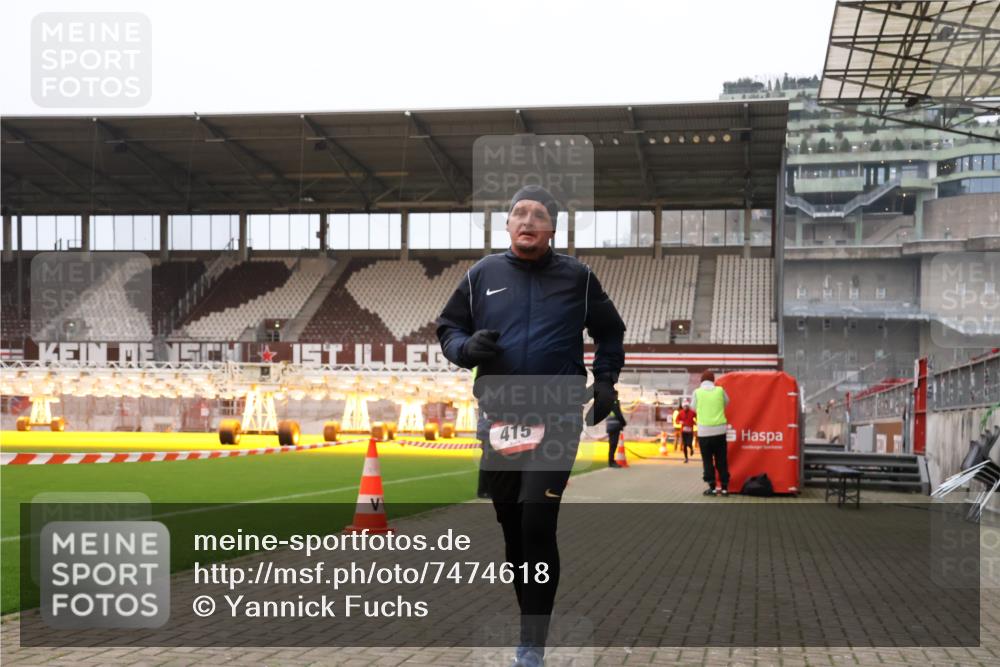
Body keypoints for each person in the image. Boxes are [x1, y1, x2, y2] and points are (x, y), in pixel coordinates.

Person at [437, 184, 626, 667]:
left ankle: (531, 646)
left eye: (537, 215)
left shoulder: (578, 279)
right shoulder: (482, 274)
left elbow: (610, 331)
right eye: (518, 213)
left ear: (552, 229)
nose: (527, 221)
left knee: (538, 521)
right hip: (499, 417)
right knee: (513, 530)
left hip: (557, 414)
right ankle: (531, 626)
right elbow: (448, 329)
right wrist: (465, 348)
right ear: (507, 225)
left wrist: (605, 381)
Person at [691, 370, 730, 496]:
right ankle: (724, 488)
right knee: (721, 459)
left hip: (704, 432)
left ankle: (712, 487)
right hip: (720, 431)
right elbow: (727, 402)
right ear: (713, 380)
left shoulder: (697, 392)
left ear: (702, 381)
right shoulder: (720, 390)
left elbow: (692, 407)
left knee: (707, 460)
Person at [605, 399, 627, 467]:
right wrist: (623, 423)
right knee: (613, 445)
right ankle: (611, 462)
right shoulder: (614, 403)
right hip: (614, 427)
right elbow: (618, 414)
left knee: (612, 445)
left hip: (610, 427)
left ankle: (611, 461)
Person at [675, 398, 696, 463]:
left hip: (690, 431)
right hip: (683, 431)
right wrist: (680, 422)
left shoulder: (692, 412)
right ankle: (686, 458)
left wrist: (696, 422)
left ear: (688, 406)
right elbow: (676, 420)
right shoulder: (681, 413)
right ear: (683, 407)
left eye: (686, 406)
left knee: (689, 443)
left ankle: (691, 449)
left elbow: (697, 417)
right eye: (684, 406)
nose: (685, 407)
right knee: (684, 445)